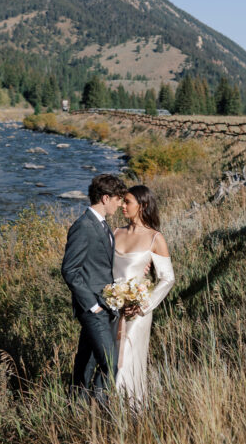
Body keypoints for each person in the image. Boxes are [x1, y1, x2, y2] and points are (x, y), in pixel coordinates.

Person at [62, 174, 127, 403]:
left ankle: (77, 410)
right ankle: (104, 412)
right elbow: (70, 270)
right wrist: (92, 305)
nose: (120, 205)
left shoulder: (102, 225)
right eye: (118, 199)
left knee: (86, 365)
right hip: (93, 309)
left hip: (106, 306)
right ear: (105, 198)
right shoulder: (83, 227)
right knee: (109, 363)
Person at [112, 185, 175, 406]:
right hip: (112, 309)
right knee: (111, 360)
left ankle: (131, 411)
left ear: (143, 205)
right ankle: (109, 410)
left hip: (136, 314)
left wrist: (142, 305)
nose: (122, 206)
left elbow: (167, 278)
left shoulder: (154, 238)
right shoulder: (115, 233)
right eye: (122, 201)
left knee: (128, 361)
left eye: (127, 202)